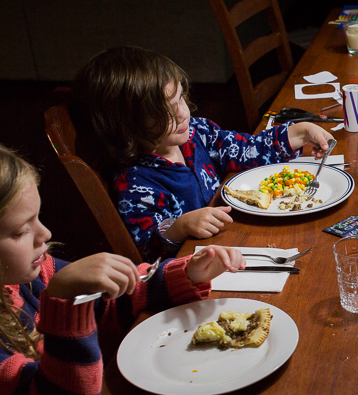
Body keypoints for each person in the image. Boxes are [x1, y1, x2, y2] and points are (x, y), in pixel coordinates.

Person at [0, 144, 245, 395]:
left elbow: (109, 306)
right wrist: (65, 299)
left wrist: (187, 274)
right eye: (20, 230)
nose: (44, 235)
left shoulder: (29, 274)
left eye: (38, 219)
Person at [71, 46, 335, 262]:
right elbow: (147, 254)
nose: (183, 113)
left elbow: (243, 149)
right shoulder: (135, 183)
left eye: (180, 100)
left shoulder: (195, 132)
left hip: (234, 237)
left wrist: (297, 133)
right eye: (165, 111)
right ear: (126, 125)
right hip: (203, 270)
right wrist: (180, 227)